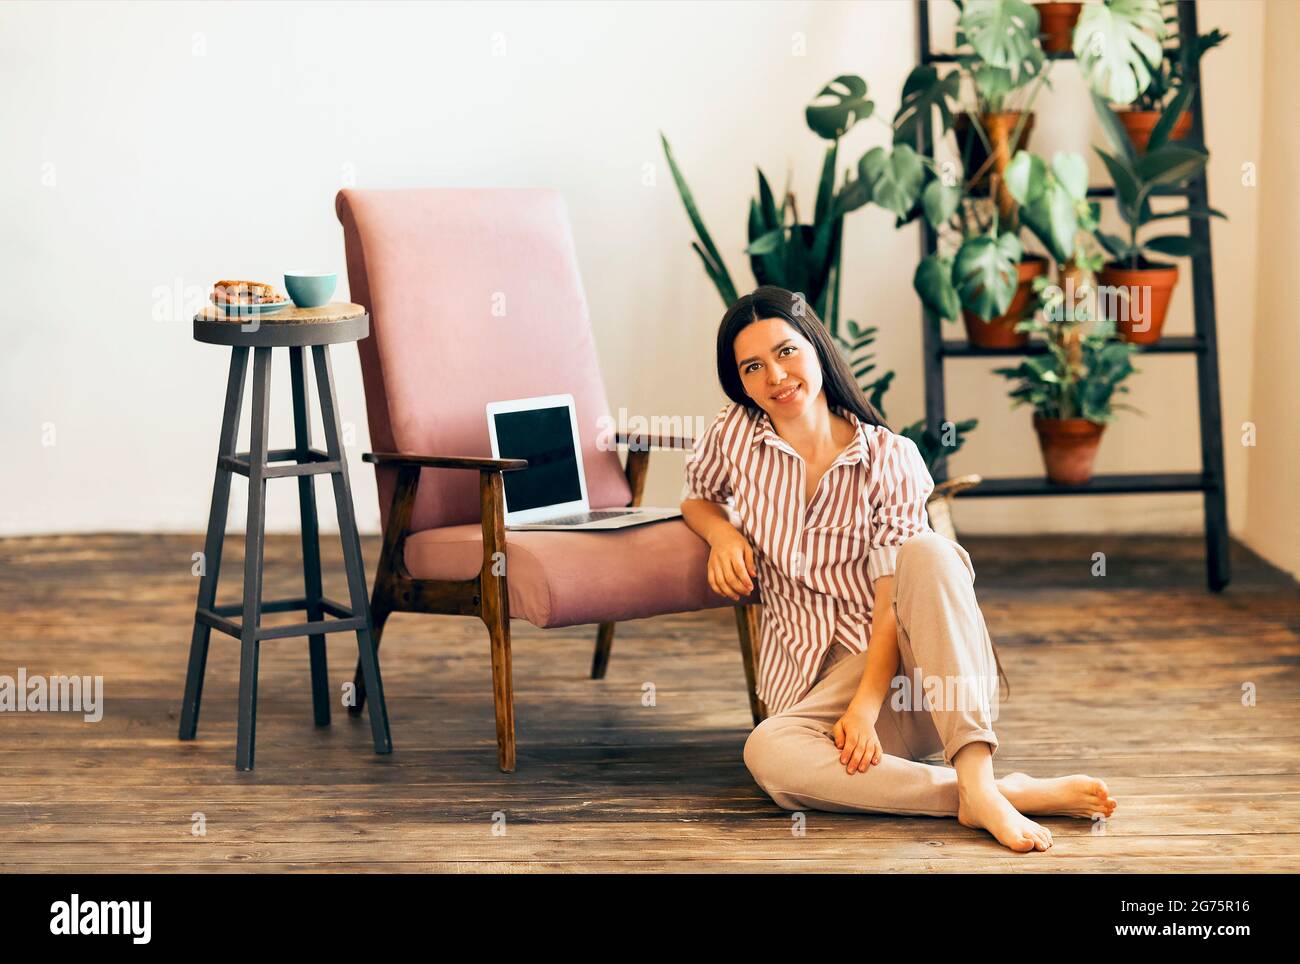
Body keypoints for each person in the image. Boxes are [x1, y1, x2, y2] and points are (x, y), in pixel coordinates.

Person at [679, 286, 1117, 853]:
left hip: (915, 686)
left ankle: (977, 779)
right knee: (766, 752)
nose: (775, 376)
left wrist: (865, 707)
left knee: (927, 552)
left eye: (787, 352)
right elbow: (696, 495)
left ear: (816, 347)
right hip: (812, 695)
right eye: (753, 366)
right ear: (738, 380)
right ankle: (993, 792)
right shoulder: (734, 433)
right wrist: (721, 534)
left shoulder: (890, 457)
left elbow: (891, 599)